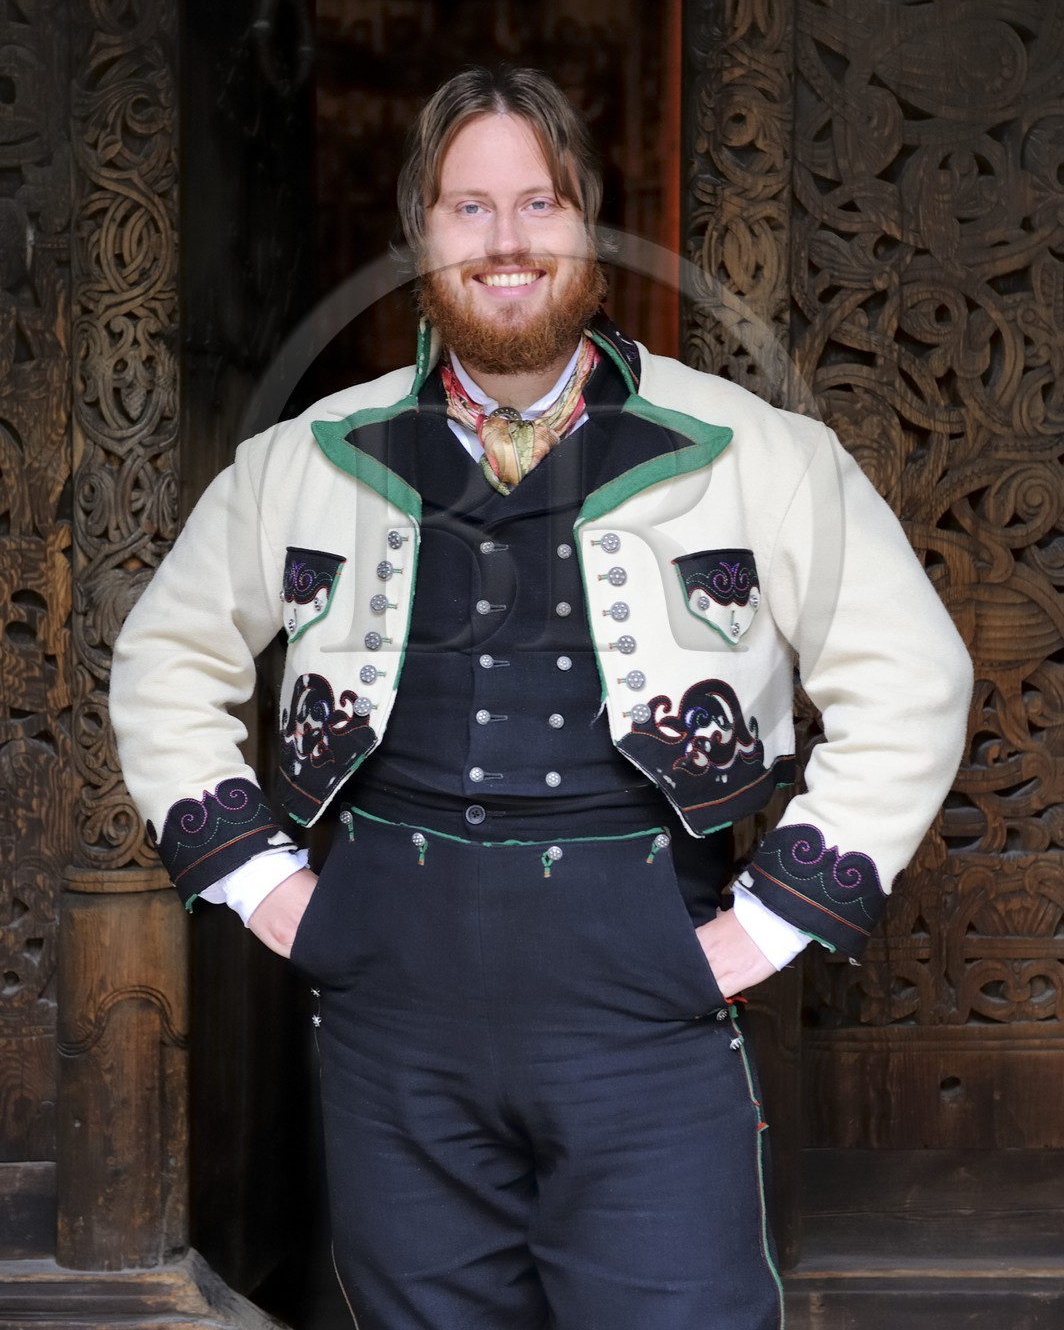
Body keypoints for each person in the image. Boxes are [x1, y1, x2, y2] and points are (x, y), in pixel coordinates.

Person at [110, 65, 972, 1330]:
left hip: (642, 1010)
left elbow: (912, 679)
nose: (505, 239)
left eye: (539, 202)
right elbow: (163, 662)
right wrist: (264, 883)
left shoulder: (759, 454)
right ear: (420, 235)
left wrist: (769, 922)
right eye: (468, 208)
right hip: (387, 1012)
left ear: (589, 227)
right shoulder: (299, 461)